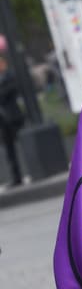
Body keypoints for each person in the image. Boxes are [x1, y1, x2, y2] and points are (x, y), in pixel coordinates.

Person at [0, 53, 23, 188]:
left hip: (13, 117)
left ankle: (21, 175)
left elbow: (7, 93)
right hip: (3, 120)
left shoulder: (9, 77)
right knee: (9, 150)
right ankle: (16, 177)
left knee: (19, 146)